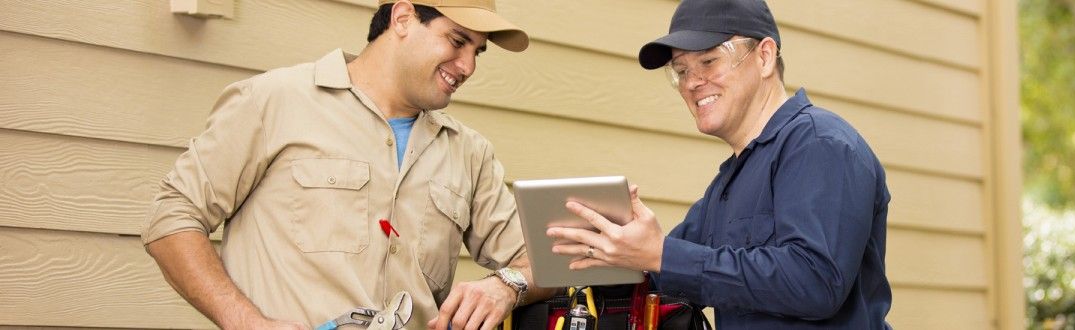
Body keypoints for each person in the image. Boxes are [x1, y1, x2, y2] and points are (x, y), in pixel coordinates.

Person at [140, 1, 554, 329]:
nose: (468, 67)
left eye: (477, 52)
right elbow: (173, 218)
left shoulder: (469, 153)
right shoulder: (273, 101)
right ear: (404, 18)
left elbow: (542, 259)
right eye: (457, 41)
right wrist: (246, 321)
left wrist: (506, 286)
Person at [545, 0, 892, 328]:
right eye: (680, 70)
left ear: (765, 57)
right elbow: (663, 272)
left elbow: (816, 283)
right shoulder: (729, 182)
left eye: (709, 62)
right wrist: (612, 245)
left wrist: (661, 255)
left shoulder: (819, 143)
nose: (692, 82)